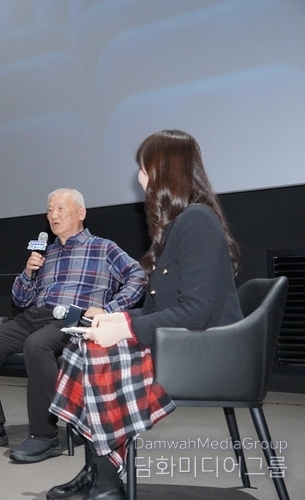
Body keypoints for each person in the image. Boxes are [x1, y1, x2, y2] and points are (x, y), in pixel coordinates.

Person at [45, 130, 243, 500]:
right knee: (82, 347)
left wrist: (124, 327)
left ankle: (106, 481)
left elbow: (196, 312)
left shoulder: (197, 221)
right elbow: (161, 310)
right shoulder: (178, 224)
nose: (138, 177)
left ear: (164, 171)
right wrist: (112, 318)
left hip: (205, 353)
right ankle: (97, 469)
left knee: (99, 356)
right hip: (183, 342)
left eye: (143, 167)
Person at [0, 188, 146, 464]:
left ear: (81, 213)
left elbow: (138, 276)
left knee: (37, 345)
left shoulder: (103, 247)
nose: (53, 215)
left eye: (60, 209)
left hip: (73, 319)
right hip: (35, 316)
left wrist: (108, 310)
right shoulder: (47, 252)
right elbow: (20, 300)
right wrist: (28, 272)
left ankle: (45, 435)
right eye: (50, 210)